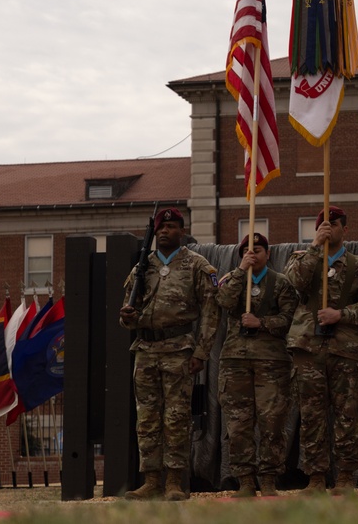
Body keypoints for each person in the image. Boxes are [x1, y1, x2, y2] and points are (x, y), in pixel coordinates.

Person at [119, 207, 220, 501]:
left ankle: (175, 480)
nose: (165, 231)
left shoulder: (197, 265)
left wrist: (201, 351)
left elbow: (211, 312)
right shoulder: (142, 266)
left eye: (172, 226)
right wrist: (127, 316)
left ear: (182, 231)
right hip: (146, 350)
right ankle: (151, 480)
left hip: (178, 350)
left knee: (176, 417)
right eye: (161, 227)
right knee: (147, 418)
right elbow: (127, 314)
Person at [283, 206, 358, 494]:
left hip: (347, 351)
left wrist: (342, 315)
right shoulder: (302, 259)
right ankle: (315, 477)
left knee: (348, 415)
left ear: (345, 230)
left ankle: (347, 477)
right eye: (323, 225)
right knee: (311, 416)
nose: (328, 229)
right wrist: (314, 247)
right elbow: (296, 282)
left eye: (334, 224)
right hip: (308, 349)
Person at [216, 232, 296, 497]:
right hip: (235, 361)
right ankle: (245, 480)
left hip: (271, 362)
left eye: (259, 249)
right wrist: (241, 271)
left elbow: (288, 320)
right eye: (248, 251)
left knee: (272, 422)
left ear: (268, 254)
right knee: (238, 424)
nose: (254, 254)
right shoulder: (233, 280)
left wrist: (261, 323)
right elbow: (224, 302)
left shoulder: (282, 283)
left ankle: (270, 477)